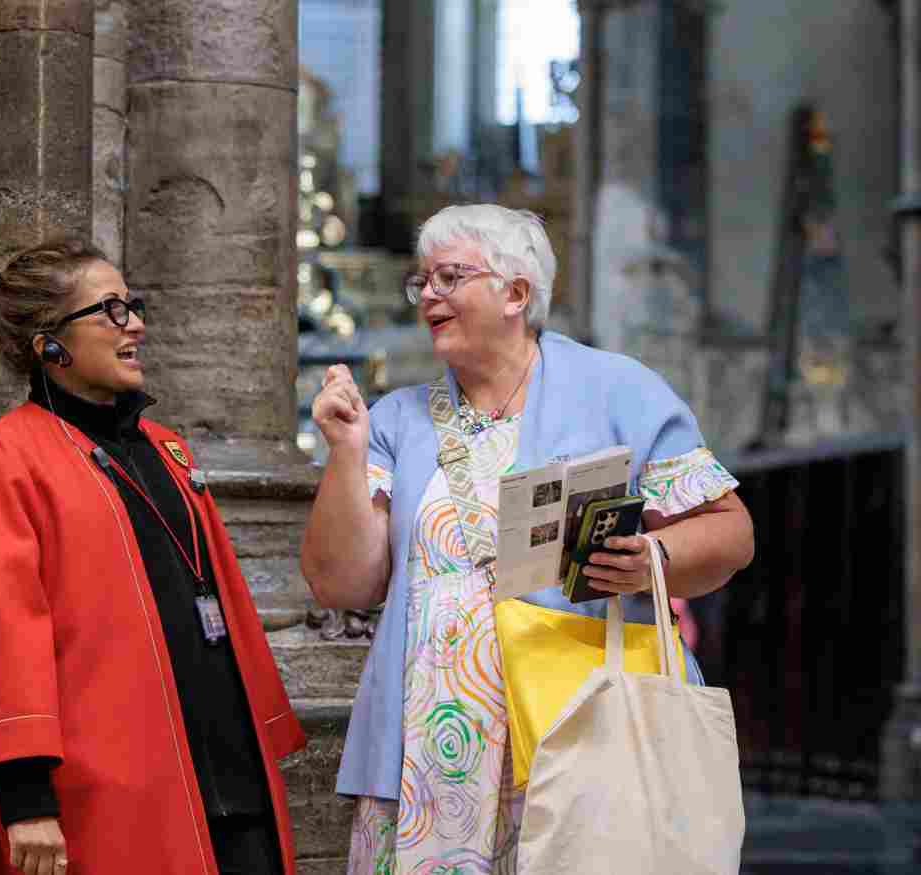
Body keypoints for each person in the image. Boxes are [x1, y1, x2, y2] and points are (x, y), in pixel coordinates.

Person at [300, 204, 755, 873]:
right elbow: (341, 581)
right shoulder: (396, 418)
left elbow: (732, 530)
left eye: (450, 276)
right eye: (422, 280)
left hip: (579, 746)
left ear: (517, 293)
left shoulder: (615, 390)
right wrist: (345, 450)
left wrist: (651, 557)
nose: (429, 293)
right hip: (431, 765)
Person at [0, 238, 305, 875]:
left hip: (229, 771)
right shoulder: (4, 458)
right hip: (106, 789)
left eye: (131, 305)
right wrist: (25, 800)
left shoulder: (167, 448)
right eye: (109, 310)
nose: (135, 323)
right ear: (49, 342)